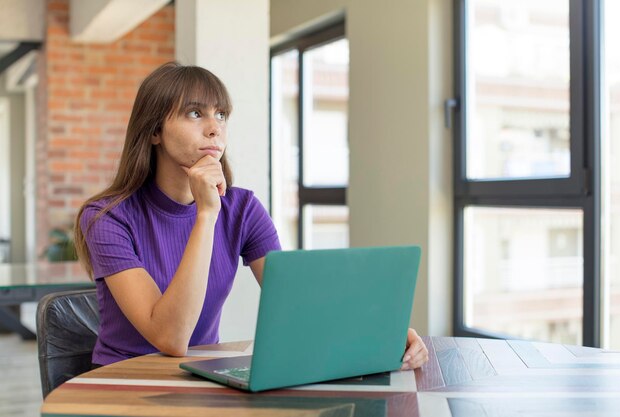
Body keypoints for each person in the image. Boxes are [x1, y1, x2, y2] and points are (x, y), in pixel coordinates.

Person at [75, 62, 429, 370]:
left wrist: (385, 333)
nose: (214, 128)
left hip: (197, 377)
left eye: (222, 115)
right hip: (123, 382)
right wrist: (205, 216)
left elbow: (301, 302)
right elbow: (170, 338)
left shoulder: (242, 209)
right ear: (154, 131)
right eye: (195, 113)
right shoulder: (106, 217)